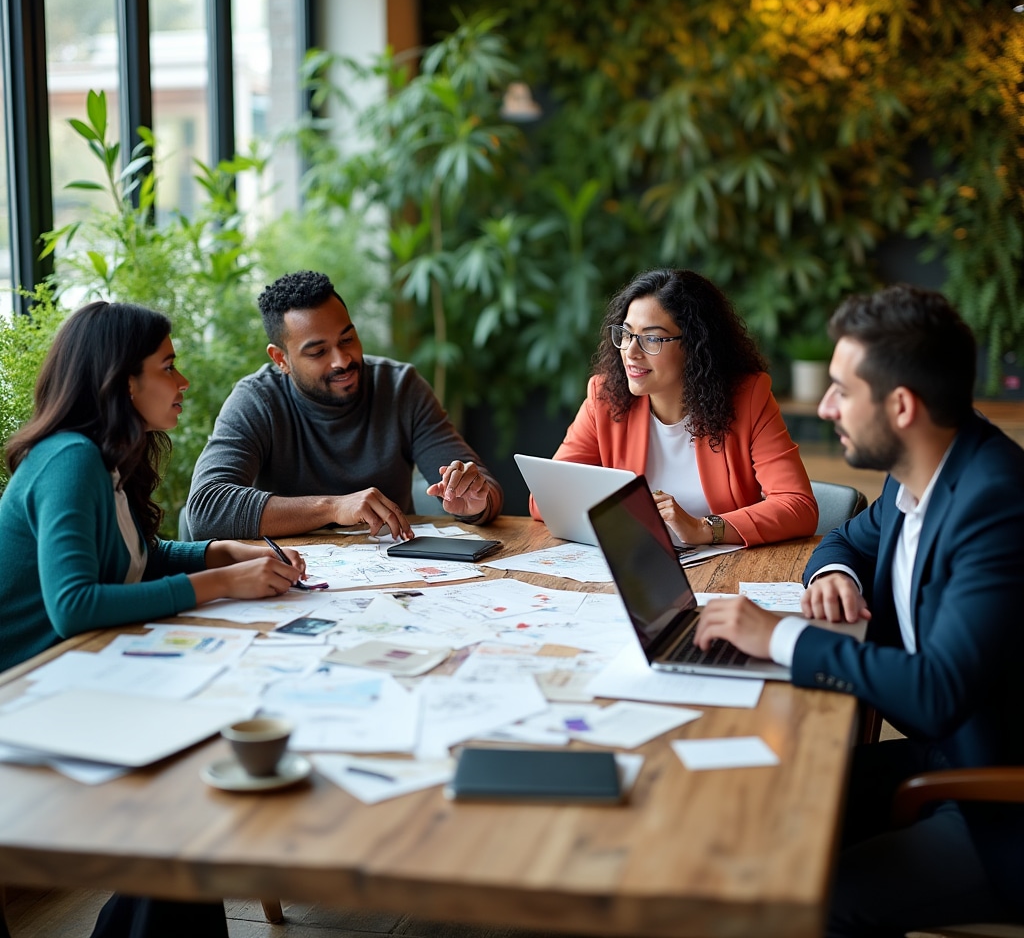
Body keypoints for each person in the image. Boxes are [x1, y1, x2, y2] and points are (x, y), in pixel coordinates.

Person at [694, 285, 1024, 936]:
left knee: (811, 902)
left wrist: (781, 637)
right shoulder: (921, 470)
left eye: (842, 390)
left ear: (901, 406)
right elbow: (845, 540)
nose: (825, 406)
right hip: (949, 756)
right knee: (754, 807)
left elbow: (936, 691)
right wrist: (836, 573)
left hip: (999, 802)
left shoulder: (996, 505)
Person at [0, 300, 308, 936]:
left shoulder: (106, 458)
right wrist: (221, 582)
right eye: (168, 366)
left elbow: (136, 558)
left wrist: (220, 552)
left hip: (77, 676)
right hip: (24, 696)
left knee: (195, 791)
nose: (183, 380)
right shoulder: (69, 460)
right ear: (123, 382)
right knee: (194, 785)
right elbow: (74, 605)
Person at [185, 271, 503, 540]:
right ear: (281, 358)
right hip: (291, 577)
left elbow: (486, 490)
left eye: (347, 339)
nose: (342, 360)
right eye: (318, 352)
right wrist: (334, 508)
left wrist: (476, 502)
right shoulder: (257, 399)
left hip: (396, 574)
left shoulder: (400, 387)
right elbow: (206, 509)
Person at [531, 268, 817, 547]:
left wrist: (702, 528)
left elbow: (798, 506)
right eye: (627, 334)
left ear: (696, 346)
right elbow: (545, 500)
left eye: (652, 338)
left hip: (725, 567)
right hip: (639, 562)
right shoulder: (605, 397)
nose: (631, 351)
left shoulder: (748, 398)